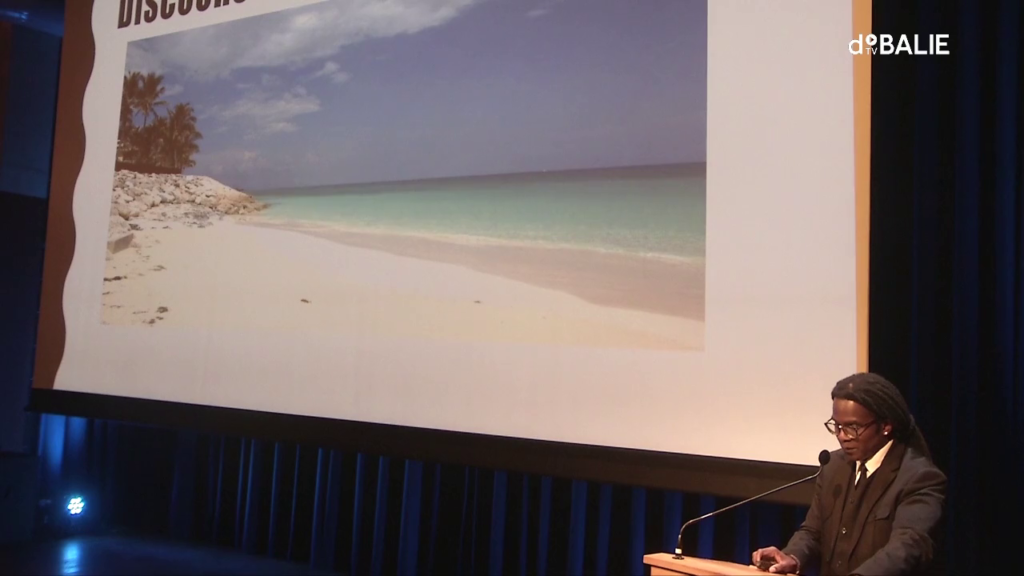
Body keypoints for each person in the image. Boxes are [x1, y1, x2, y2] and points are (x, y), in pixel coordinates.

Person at [752, 372, 946, 576]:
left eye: (853, 427)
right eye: (837, 426)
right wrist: (792, 556)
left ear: (886, 426)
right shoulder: (833, 466)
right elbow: (813, 531)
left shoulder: (919, 478)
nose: (842, 437)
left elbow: (908, 547)